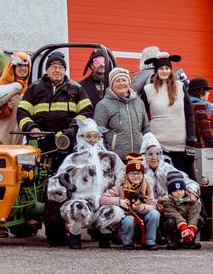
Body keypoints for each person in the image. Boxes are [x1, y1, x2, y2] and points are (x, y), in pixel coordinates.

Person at [46, 117, 123, 249]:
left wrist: (117, 190)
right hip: (81, 201)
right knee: (77, 208)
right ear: (81, 137)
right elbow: (57, 179)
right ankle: (75, 234)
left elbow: (122, 174)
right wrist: (64, 192)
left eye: (95, 136)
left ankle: (104, 234)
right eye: (88, 136)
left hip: (104, 201)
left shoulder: (110, 157)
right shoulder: (73, 159)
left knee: (117, 212)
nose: (92, 140)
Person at [16, 51, 92, 168]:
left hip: (66, 143)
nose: (57, 70)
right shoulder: (34, 88)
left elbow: (86, 112)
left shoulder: (76, 89)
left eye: (61, 67)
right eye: (54, 67)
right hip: (39, 143)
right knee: (33, 177)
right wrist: (31, 127)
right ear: (47, 70)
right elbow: (22, 112)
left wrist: (71, 130)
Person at [139, 52, 197, 180]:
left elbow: (189, 115)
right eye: (161, 68)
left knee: (189, 182)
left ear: (171, 70)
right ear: (156, 71)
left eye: (167, 68)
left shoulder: (180, 87)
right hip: (159, 148)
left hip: (180, 146)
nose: (164, 71)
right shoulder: (148, 90)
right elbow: (141, 116)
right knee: (162, 184)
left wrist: (191, 143)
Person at [137, 132, 202, 246]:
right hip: (148, 207)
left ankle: (187, 238)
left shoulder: (167, 168)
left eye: (158, 153)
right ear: (144, 155)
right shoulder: (139, 171)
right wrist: (154, 203)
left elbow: (189, 182)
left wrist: (192, 193)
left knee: (196, 211)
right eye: (150, 154)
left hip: (170, 205)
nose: (154, 157)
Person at [100, 155, 161, 250]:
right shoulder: (120, 187)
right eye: (132, 173)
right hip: (127, 222)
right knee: (129, 219)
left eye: (138, 173)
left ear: (143, 175)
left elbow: (152, 205)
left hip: (143, 221)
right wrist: (120, 201)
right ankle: (127, 242)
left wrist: (141, 207)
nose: (136, 176)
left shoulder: (147, 187)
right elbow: (103, 199)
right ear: (127, 175)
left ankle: (150, 241)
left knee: (154, 214)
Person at [92, 67, 150, 160]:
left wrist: (147, 149)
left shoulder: (139, 102)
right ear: (111, 84)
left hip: (138, 158)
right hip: (115, 159)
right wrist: (105, 156)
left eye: (124, 80)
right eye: (117, 81)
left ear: (129, 83)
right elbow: (97, 134)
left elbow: (146, 129)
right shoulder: (103, 105)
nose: (121, 83)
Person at [0, 51, 30, 146]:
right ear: (13, 66)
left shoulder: (28, 89)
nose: (23, 68)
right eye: (20, 65)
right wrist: (5, 109)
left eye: (26, 66)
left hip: (18, 144)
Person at [188, 77, 213, 147]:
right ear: (202, 92)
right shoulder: (209, 106)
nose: (209, 93)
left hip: (192, 142)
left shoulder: (184, 104)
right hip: (211, 141)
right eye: (207, 91)